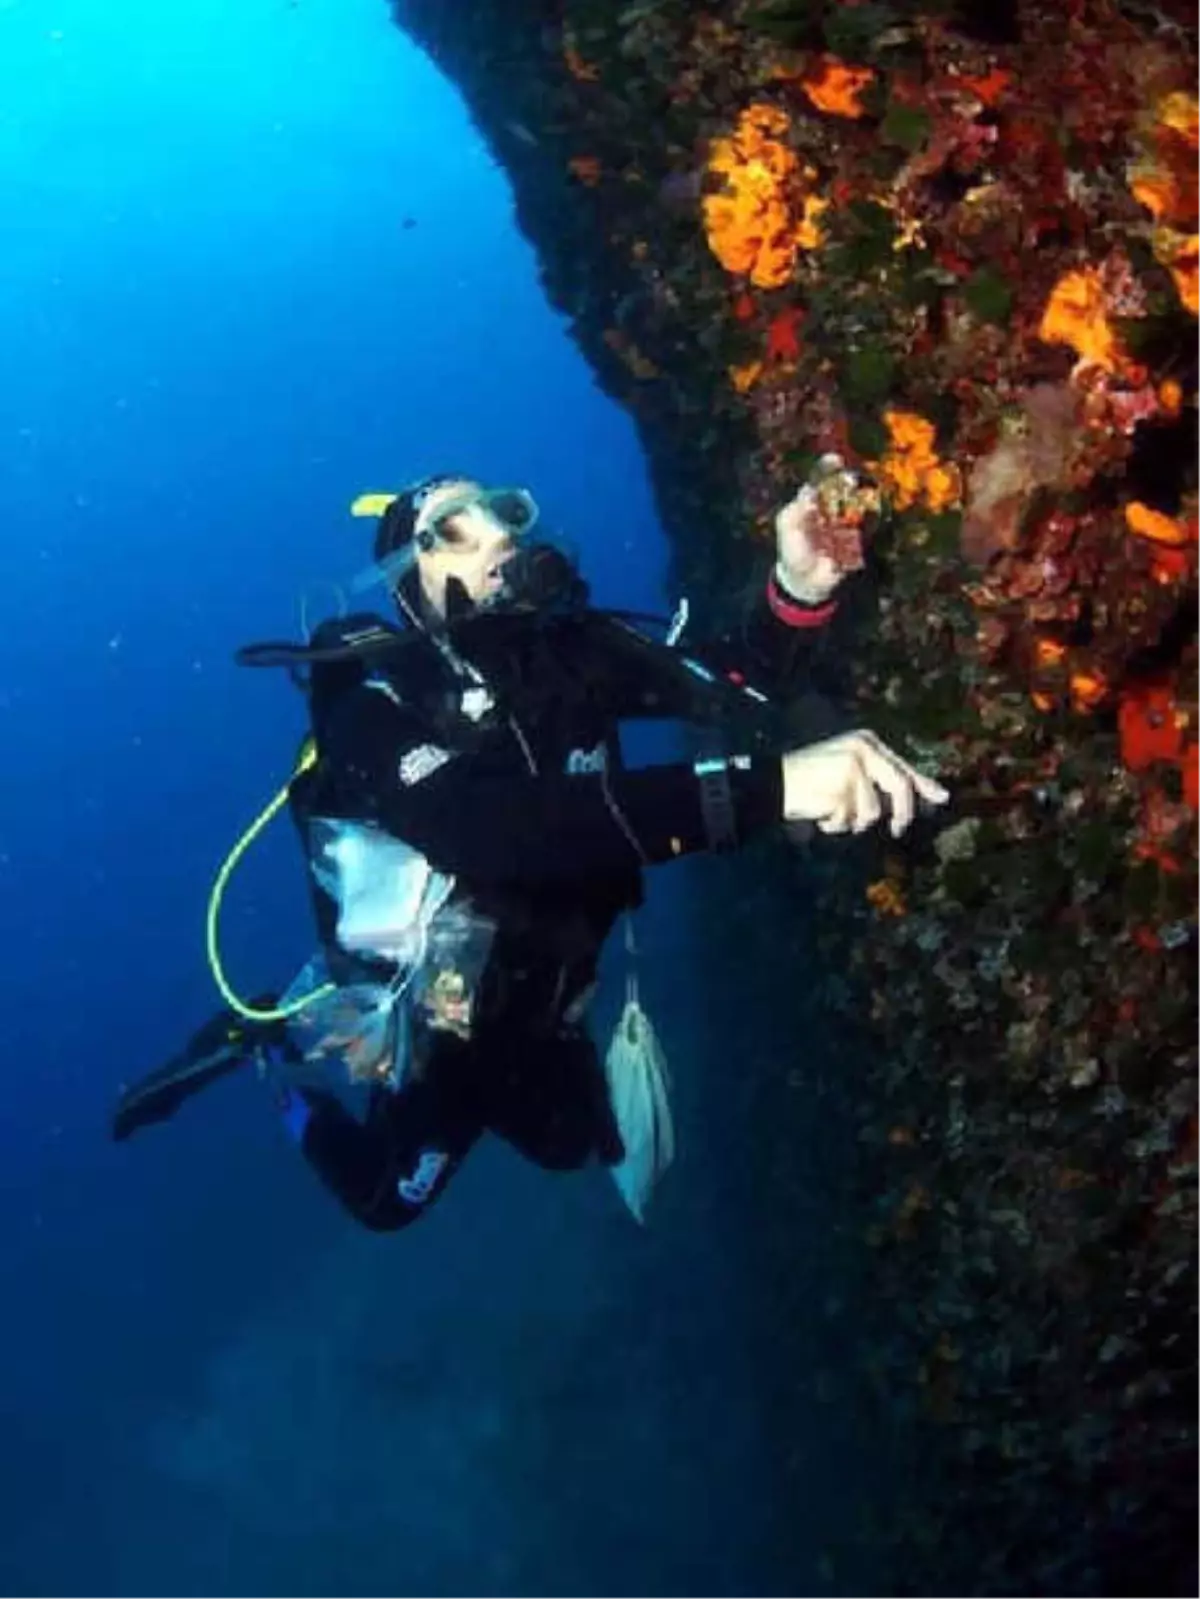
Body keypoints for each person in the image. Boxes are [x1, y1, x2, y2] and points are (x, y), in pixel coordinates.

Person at [111, 466, 948, 1228]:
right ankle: (268, 1049)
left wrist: (795, 589)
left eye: (502, 511)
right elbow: (480, 828)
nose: (497, 534)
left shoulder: (564, 653)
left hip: (549, 981)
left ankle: (513, 1064)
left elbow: (725, 677)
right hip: (441, 1013)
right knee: (388, 1197)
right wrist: (771, 790)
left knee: (567, 1144)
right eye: (452, 528)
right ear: (406, 578)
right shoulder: (369, 696)